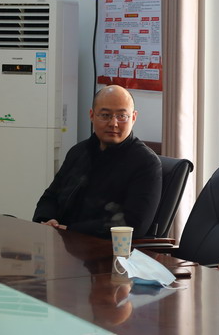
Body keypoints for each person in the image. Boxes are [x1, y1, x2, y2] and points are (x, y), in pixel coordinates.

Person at [32, 85, 162, 238]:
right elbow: (51, 196)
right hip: (62, 239)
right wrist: (47, 220)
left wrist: (70, 230)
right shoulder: (79, 151)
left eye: (122, 116)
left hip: (103, 247)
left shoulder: (145, 163)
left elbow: (134, 224)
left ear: (133, 118)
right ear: (92, 115)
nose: (113, 123)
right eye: (105, 115)